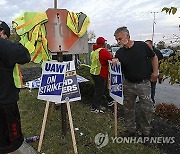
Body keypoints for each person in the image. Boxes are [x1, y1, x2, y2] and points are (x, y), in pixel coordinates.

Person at [113, 26, 158, 136]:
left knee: (146, 109)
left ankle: (146, 132)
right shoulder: (119, 53)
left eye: (120, 39)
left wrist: (155, 72)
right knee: (128, 109)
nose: (118, 42)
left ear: (127, 36)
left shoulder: (141, 46)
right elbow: (118, 69)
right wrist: (115, 62)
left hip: (143, 84)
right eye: (116, 40)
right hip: (128, 84)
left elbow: (154, 57)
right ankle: (131, 130)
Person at [0, 21, 31, 153]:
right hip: (4, 104)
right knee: (11, 143)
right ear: (2, 33)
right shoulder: (3, 44)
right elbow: (24, 55)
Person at [90, 37, 114, 113]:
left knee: (103, 88)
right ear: (103, 44)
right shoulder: (103, 51)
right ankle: (95, 108)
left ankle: (110, 100)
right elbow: (111, 59)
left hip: (94, 72)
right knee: (99, 91)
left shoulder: (94, 51)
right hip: (100, 73)